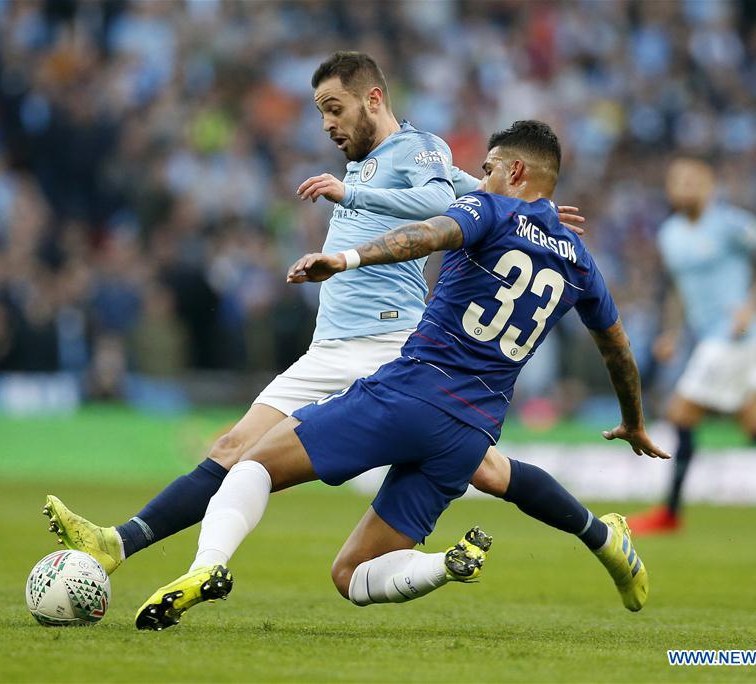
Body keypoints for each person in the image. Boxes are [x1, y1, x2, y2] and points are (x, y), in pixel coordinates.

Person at [42, 52, 589, 579]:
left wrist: (351, 193)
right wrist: (526, 210)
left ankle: (598, 533)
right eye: (321, 111)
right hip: (331, 348)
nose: (326, 123)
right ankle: (119, 542)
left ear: (373, 99)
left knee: (485, 468)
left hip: (388, 342)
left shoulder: (416, 147)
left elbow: (436, 202)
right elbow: (476, 194)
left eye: (335, 107)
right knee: (233, 449)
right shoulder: (380, 164)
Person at [132, 120, 669, 630]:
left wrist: (345, 259)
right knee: (350, 575)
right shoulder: (579, 258)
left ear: (515, 173)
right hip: (470, 432)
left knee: (252, 465)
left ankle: (207, 565)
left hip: (409, 395)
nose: (478, 179)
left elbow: (431, 233)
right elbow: (618, 349)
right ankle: (445, 565)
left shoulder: (489, 210)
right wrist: (634, 421)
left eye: (487, 168)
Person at [629, 157, 756, 535]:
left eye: (690, 180)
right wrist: (671, 332)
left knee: (680, 412)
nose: (682, 187)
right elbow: (678, 289)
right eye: (676, 180)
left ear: (708, 185)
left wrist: (751, 306)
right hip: (714, 339)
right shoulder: (669, 233)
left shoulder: (731, 223)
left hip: (734, 338)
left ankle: (670, 513)